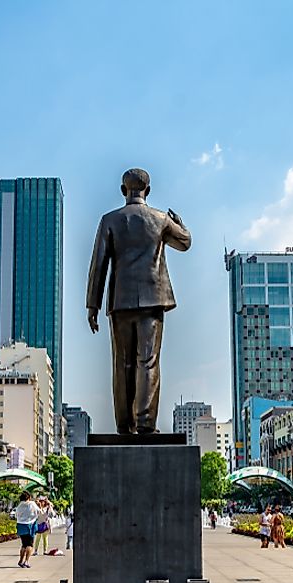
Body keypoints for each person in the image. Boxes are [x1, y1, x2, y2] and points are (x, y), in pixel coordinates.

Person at [85, 168, 192, 434]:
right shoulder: (161, 219)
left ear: (123, 190)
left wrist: (92, 305)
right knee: (148, 361)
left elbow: (98, 265)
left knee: (122, 363)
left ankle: (124, 425)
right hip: (153, 299)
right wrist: (180, 223)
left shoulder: (109, 220)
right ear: (149, 190)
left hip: (119, 302)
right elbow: (185, 242)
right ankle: (145, 424)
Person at [14, 492, 39, 568]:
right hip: (29, 525)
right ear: (28, 498)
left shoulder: (19, 505)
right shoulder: (31, 503)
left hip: (20, 525)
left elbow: (16, 515)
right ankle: (26, 561)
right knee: (29, 544)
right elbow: (39, 511)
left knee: (24, 544)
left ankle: (21, 561)